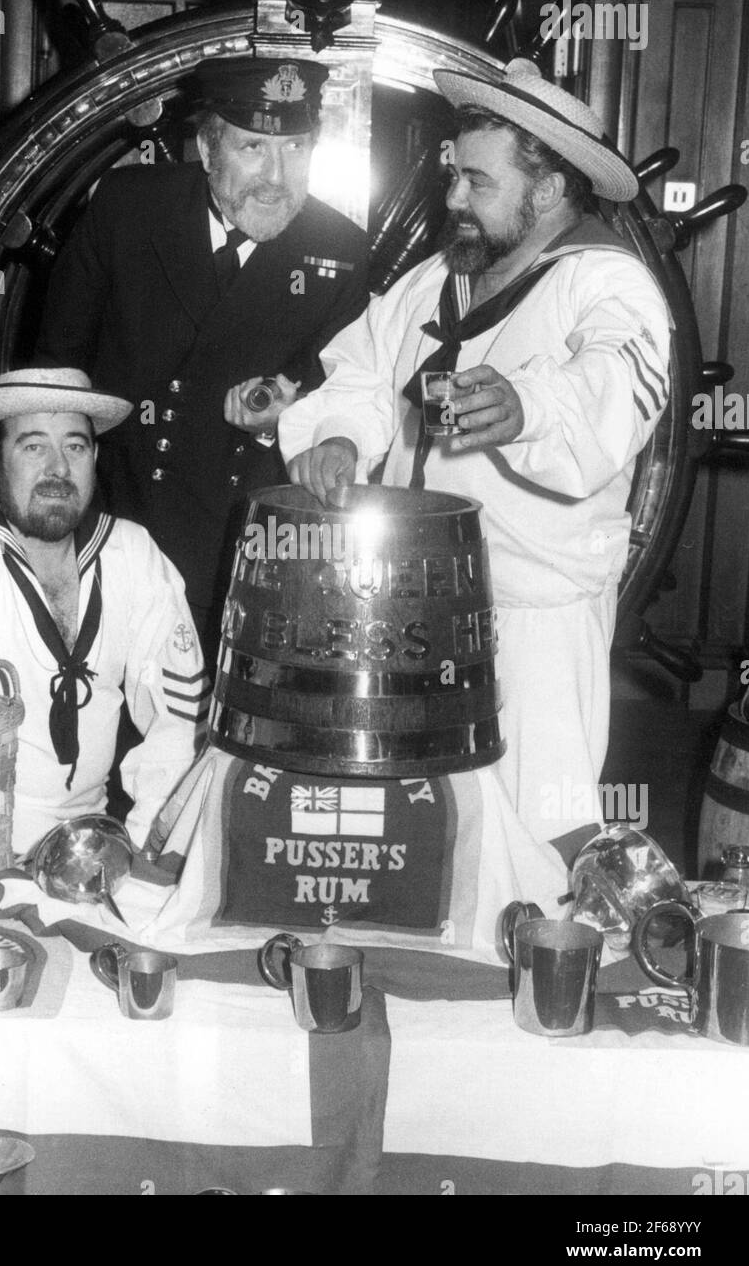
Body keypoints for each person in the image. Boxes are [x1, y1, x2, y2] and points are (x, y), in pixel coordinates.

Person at [274, 58, 672, 858]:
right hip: (407, 608)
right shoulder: (434, 281)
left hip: (534, 622)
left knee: (534, 838)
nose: (452, 198)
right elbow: (360, 370)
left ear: (550, 190)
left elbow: (610, 382)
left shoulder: (609, 287)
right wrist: (339, 439)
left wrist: (527, 406)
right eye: (453, 176)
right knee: (420, 831)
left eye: (477, 183)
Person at [36, 55, 370, 664]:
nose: (276, 175)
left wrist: (287, 423)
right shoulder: (127, 208)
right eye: (252, 148)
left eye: (296, 149)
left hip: (250, 545)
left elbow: (344, 406)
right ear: (207, 148)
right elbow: (58, 374)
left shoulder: (340, 250)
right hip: (121, 523)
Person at [0, 368, 209, 856]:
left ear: (94, 458)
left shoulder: (131, 553)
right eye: (33, 447)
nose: (57, 468)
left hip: (89, 848)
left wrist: (146, 841)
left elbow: (181, 717)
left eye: (74, 447)